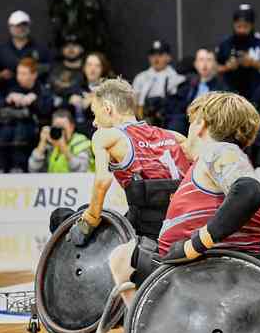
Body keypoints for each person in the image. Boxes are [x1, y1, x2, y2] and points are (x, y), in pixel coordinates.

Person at [106, 92, 260, 308]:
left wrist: (194, 245)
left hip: (220, 272)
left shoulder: (218, 151)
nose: (187, 131)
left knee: (122, 257)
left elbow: (249, 192)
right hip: (220, 267)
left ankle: (148, 332)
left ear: (201, 124)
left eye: (190, 123)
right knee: (133, 252)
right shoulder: (218, 160)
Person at [69, 78, 192, 242]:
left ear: (107, 108)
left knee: (63, 216)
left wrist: (89, 221)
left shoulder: (105, 136)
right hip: (185, 222)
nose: (94, 122)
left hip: (148, 230)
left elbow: (103, 181)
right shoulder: (174, 136)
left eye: (94, 113)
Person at [0, 58, 53, 172]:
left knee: (21, 130)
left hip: (33, 129)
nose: (19, 77)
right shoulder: (11, 88)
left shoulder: (42, 90)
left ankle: (20, 168)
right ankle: (2, 168)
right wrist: (8, 99)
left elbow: (47, 111)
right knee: (4, 133)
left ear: (34, 75)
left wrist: (35, 100)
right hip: (10, 127)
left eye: (24, 74)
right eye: (18, 73)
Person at [216, 4, 260, 97]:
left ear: (252, 25)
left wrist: (253, 63)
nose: (242, 30)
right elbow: (214, 68)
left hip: (257, 91)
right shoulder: (225, 43)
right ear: (234, 25)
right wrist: (228, 67)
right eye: (239, 26)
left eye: (245, 26)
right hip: (230, 92)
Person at [0, 10, 51, 96]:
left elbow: (49, 69)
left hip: (35, 95)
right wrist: (1, 75)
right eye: (18, 25)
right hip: (7, 94)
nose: (21, 28)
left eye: (24, 25)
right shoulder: (1, 50)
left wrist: (32, 71)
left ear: (29, 26)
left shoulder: (40, 49)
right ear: (10, 27)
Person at [165, 48, 229, 132]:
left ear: (215, 64)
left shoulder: (222, 88)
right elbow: (179, 108)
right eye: (201, 60)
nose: (205, 64)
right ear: (195, 64)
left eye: (209, 60)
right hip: (188, 122)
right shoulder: (188, 84)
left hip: (210, 124)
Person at [131, 40, 185, 125]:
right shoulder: (140, 77)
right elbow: (133, 103)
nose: (156, 58)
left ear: (168, 57)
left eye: (160, 54)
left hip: (165, 120)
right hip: (142, 119)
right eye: (153, 55)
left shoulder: (176, 78)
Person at [29, 108, 92, 173]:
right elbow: (33, 169)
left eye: (63, 128)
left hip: (74, 182)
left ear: (72, 127)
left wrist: (63, 147)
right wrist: (42, 143)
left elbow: (81, 170)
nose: (60, 132)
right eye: (56, 128)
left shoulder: (80, 141)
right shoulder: (50, 143)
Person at [69, 51, 112, 136]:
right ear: (84, 67)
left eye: (97, 66)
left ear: (103, 69)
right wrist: (70, 102)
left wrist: (95, 101)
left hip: (101, 134)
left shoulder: (110, 88)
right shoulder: (77, 86)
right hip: (78, 134)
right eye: (89, 65)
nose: (92, 69)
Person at [47, 34, 86, 101]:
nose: (70, 49)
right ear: (62, 50)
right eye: (66, 46)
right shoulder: (54, 68)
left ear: (82, 49)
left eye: (74, 45)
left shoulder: (87, 69)